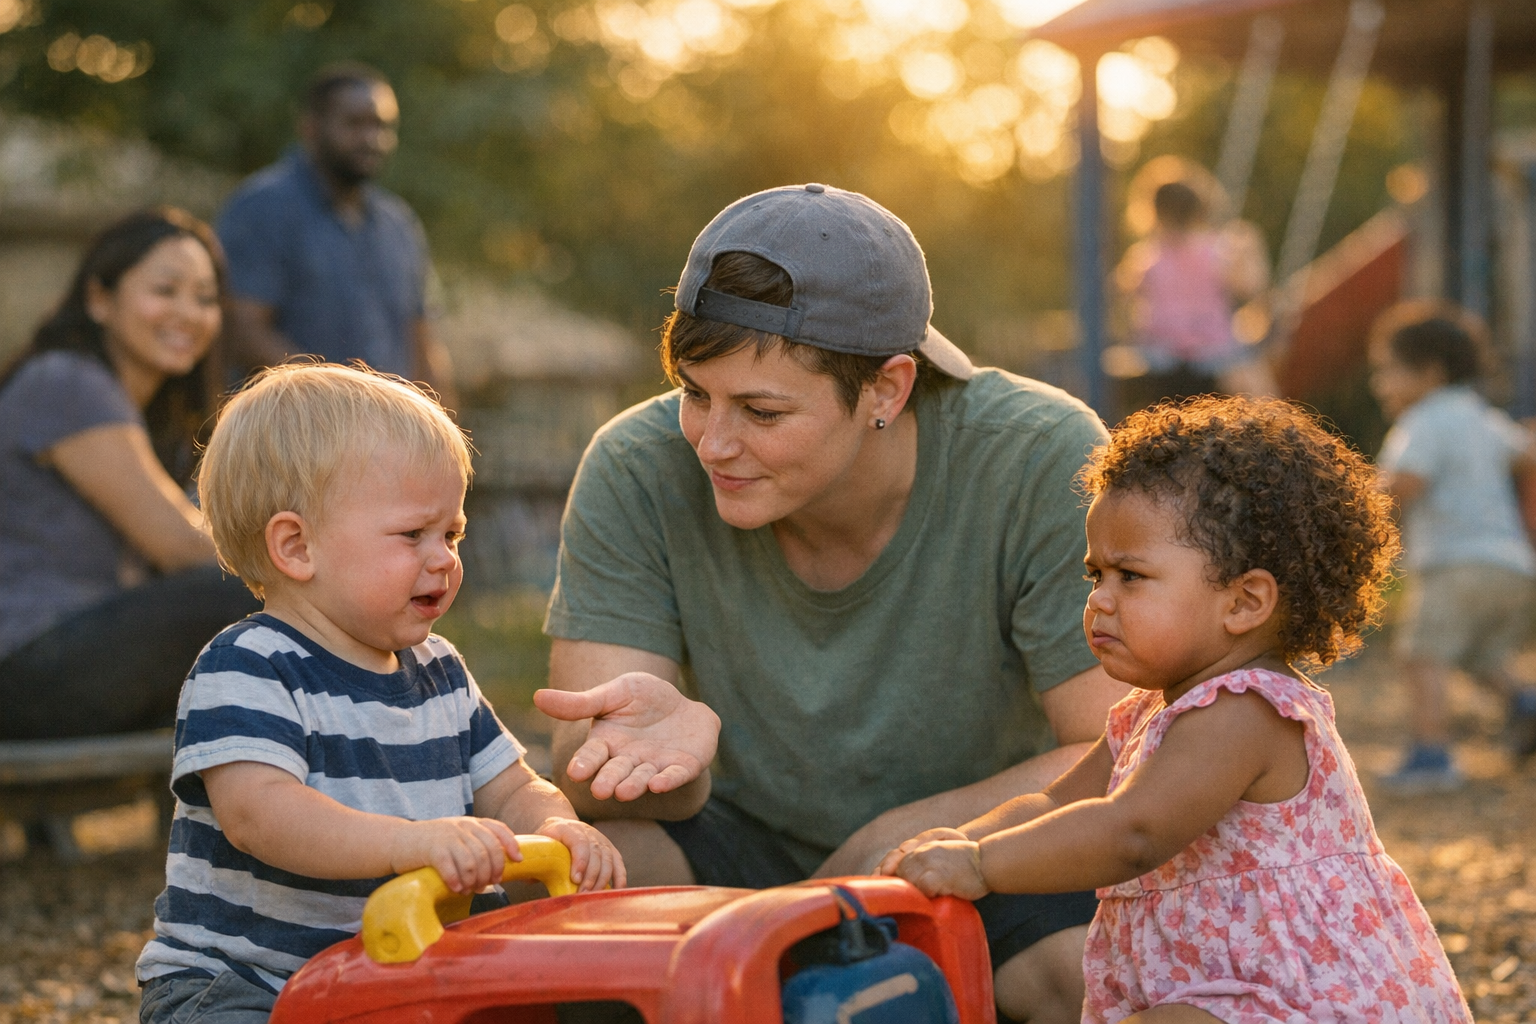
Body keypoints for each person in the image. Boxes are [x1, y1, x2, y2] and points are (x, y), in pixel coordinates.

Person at [529, 184, 1129, 1023]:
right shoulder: (635, 463)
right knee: (576, 886)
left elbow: (1123, 749)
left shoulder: (1041, 456)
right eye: (696, 394)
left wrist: (906, 834)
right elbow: (583, 771)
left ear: (887, 390)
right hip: (733, 838)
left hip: (973, 848)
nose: (713, 442)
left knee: (1082, 973)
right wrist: (667, 769)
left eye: (762, 411)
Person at [881, 396, 1472, 1023]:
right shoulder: (1146, 713)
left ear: (1244, 602)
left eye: (1130, 576)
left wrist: (982, 865)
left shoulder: (1245, 712)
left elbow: (1131, 831)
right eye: (1094, 574)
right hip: (1222, 990)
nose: (1101, 600)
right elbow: (1058, 804)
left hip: (1302, 996)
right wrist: (960, 839)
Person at [134, 364, 623, 1024]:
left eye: (452, 533)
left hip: (400, 976)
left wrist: (556, 824)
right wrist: (410, 843)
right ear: (296, 546)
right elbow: (261, 815)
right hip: (253, 982)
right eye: (412, 534)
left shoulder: (439, 671)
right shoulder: (249, 666)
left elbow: (510, 787)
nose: (445, 558)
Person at [0, 207, 259, 741]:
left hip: (74, 655)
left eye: (205, 298)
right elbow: (178, 546)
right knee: (250, 595)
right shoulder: (67, 381)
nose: (188, 313)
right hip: (25, 660)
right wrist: (312, 566)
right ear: (99, 299)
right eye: (165, 290)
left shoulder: (146, 416)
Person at [1369, 300, 1536, 792]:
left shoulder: (1423, 421)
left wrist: (1360, 504)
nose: (1380, 384)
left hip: (1456, 563)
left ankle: (1432, 754)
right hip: (1512, 564)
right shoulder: (1481, 416)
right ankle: (1526, 705)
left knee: (1422, 654)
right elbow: (1525, 452)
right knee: (1480, 655)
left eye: (1388, 371)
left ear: (1430, 372)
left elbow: (1406, 483)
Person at [215, 62, 452, 401]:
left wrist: (441, 428)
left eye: (382, 126)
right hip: (291, 431)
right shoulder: (261, 208)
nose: (372, 139)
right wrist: (339, 400)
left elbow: (422, 338)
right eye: (355, 124)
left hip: (388, 436)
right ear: (311, 127)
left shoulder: (399, 223)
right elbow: (242, 330)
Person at [1113, 180, 1274, 412]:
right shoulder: (1217, 250)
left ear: (1152, 212)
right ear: (1199, 210)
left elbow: (1123, 292)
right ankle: (1273, 423)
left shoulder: (1146, 256)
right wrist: (1251, 250)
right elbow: (1250, 287)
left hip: (1162, 352)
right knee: (1260, 391)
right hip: (1213, 352)